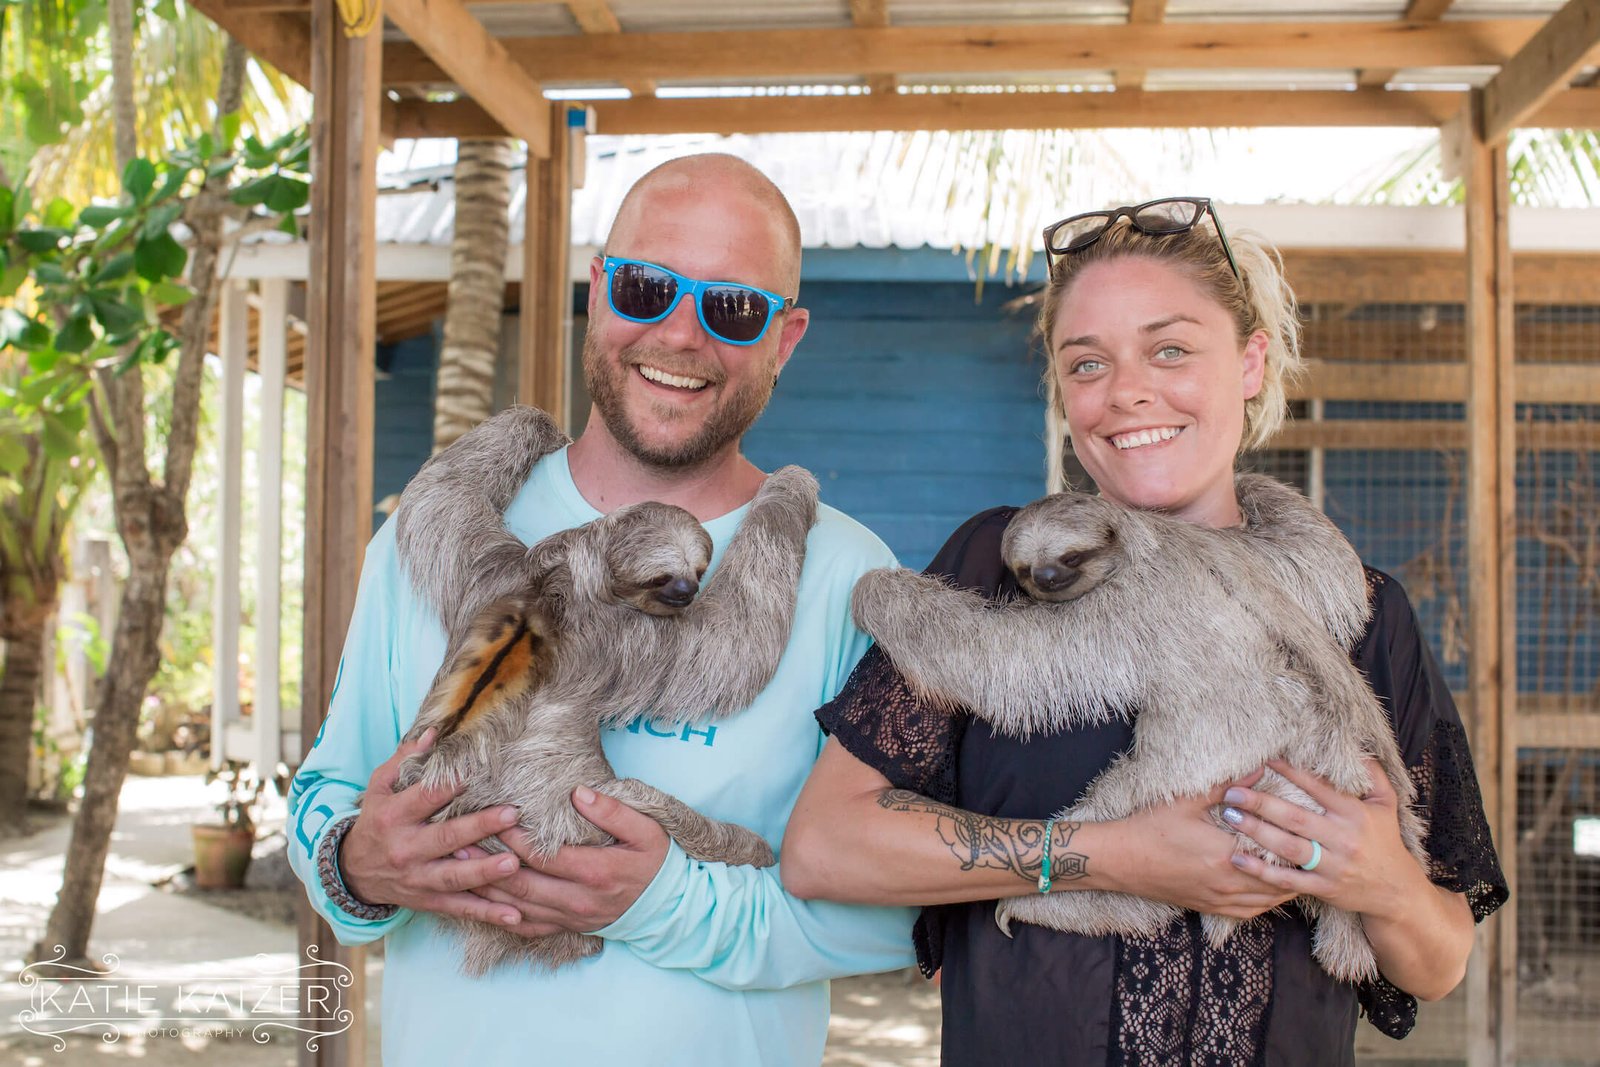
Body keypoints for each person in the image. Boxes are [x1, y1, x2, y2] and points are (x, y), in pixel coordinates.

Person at [782, 196, 1508, 1066]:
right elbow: (824, 847)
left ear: (1250, 362)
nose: (1128, 391)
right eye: (1087, 364)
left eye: (1170, 349)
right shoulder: (998, 564)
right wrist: (1116, 855)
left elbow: (1438, 961)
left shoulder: (1359, 603)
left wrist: (1379, 876)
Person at [286, 153, 916, 1067]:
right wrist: (354, 866)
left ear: (786, 337)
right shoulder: (428, 543)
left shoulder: (847, 577)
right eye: (648, 286)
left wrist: (666, 902)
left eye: (732, 307)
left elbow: (901, 918)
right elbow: (322, 803)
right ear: (598, 290)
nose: (682, 334)